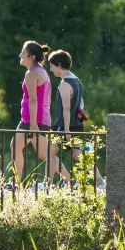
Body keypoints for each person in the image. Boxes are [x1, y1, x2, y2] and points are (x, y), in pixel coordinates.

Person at [11, 40, 63, 184]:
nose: (20, 54)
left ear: (32, 56)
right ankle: (16, 183)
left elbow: (34, 100)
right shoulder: (39, 70)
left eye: (23, 52)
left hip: (35, 120)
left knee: (45, 154)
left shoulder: (32, 73)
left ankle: (69, 179)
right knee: (16, 146)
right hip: (30, 119)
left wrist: (33, 125)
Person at [47, 49, 100, 185]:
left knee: (50, 153)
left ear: (59, 65)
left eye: (52, 65)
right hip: (76, 124)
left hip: (63, 125)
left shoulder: (64, 84)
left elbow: (66, 109)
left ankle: (47, 184)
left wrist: (66, 130)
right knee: (79, 155)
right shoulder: (77, 80)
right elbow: (81, 101)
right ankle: (99, 182)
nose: (51, 69)